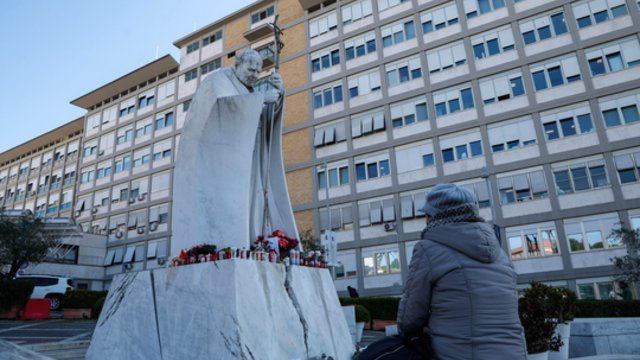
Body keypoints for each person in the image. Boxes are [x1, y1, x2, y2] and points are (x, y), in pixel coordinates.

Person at [359, 183, 526, 359]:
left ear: (435, 216)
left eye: (427, 214)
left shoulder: (428, 249)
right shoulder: (500, 254)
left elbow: (410, 319)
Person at [171, 49, 299, 255]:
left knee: (255, 200)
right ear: (237, 65)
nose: (254, 75)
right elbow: (220, 111)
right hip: (225, 164)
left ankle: (254, 241)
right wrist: (260, 99)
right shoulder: (217, 81)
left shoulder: (247, 90)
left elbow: (263, 119)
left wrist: (278, 95)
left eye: (258, 72)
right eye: (250, 70)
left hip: (251, 155)